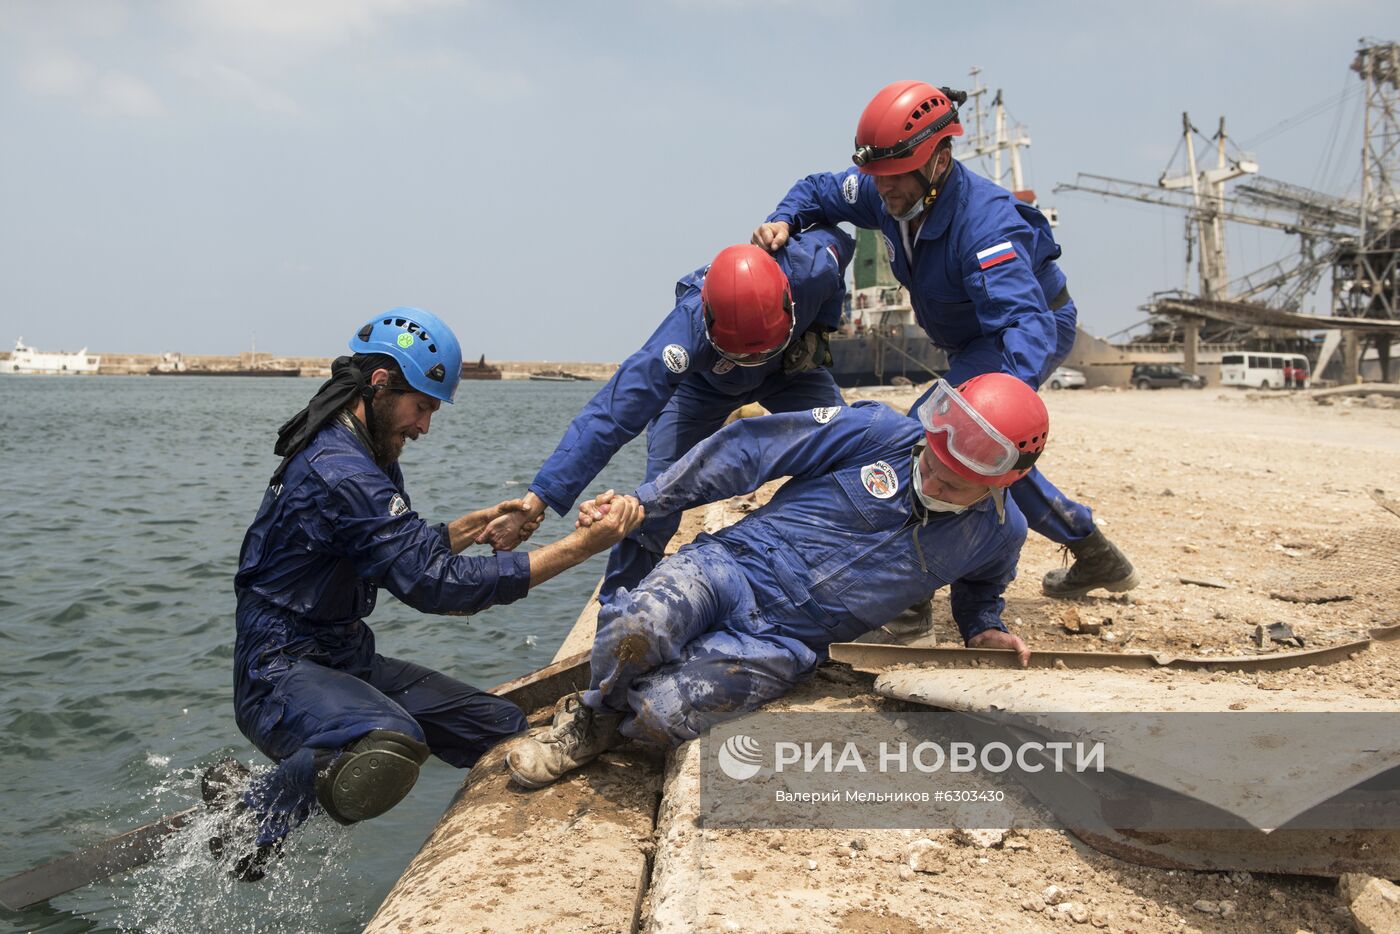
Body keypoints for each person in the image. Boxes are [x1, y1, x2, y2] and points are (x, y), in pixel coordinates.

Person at [217, 308, 643, 879]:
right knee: (391, 743)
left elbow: (402, 551)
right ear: (380, 385)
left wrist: (474, 524)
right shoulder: (342, 470)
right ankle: (244, 817)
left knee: (500, 727)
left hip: (341, 656)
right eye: (422, 406)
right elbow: (434, 586)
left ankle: (272, 784)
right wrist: (581, 546)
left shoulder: (366, 450)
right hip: (278, 670)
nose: (424, 426)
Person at [506, 372, 1045, 788]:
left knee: (663, 714)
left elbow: (982, 589)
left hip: (786, 641)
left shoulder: (999, 533)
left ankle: (625, 706)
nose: (930, 479)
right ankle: (591, 717)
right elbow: (750, 449)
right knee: (641, 623)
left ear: (1001, 483)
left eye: (951, 485)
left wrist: (983, 627)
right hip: (734, 565)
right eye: (929, 461)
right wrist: (644, 502)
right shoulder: (877, 432)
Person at [750, 81, 1136, 599]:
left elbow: (1026, 325)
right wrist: (782, 220)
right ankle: (1092, 550)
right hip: (971, 338)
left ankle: (909, 597)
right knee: (964, 443)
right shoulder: (886, 189)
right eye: (876, 178)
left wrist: (995, 413)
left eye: (894, 180)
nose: (883, 191)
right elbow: (819, 189)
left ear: (938, 160)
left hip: (1018, 331)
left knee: (932, 438)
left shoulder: (987, 228)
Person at [481, 229, 854, 606]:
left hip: (791, 372)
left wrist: (821, 329)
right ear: (708, 325)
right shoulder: (682, 335)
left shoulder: (812, 267)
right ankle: (619, 608)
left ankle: (851, 568)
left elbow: (840, 244)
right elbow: (610, 415)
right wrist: (537, 500)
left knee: (846, 447)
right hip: (702, 391)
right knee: (659, 496)